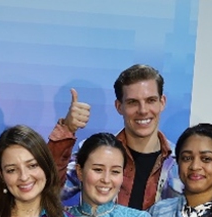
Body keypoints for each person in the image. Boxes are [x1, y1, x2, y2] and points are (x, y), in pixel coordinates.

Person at [47, 64, 180, 209]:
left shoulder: (179, 162)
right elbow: (49, 190)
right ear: (119, 106)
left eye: (150, 100)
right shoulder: (95, 152)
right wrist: (67, 128)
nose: (143, 110)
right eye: (132, 102)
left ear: (162, 103)